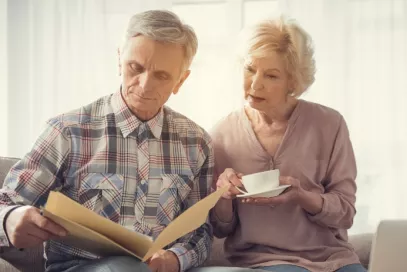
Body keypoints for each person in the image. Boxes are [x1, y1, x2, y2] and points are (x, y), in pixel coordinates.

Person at [0, 10, 213, 272]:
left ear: (181, 79)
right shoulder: (68, 131)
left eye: (162, 76)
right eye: (136, 68)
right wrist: (9, 219)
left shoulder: (197, 142)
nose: (145, 85)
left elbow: (200, 231)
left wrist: (174, 259)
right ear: (119, 60)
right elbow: (5, 203)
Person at [204, 17, 367, 272]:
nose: (255, 84)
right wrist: (223, 196)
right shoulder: (221, 135)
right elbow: (221, 228)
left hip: (332, 258)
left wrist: (303, 197)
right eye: (250, 69)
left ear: (293, 81)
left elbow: (345, 212)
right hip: (263, 260)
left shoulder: (329, 124)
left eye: (271, 75)